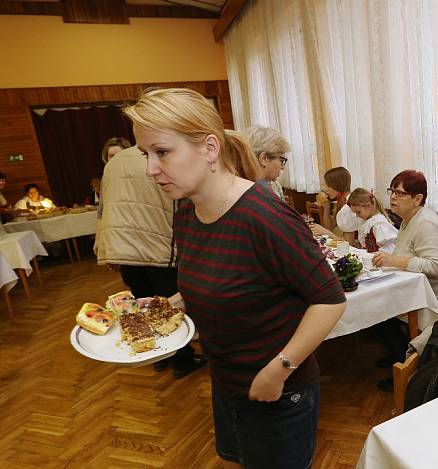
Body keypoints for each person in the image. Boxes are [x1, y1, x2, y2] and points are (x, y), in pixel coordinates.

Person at [125, 87, 346, 469]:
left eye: (162, 152)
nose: (150, 169)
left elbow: (329, 301)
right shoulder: (186, 211)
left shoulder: (264, 217)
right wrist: (167, 305)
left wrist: (278, 371)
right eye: (146, 155)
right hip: (227, 381)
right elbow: (215, 284)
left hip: (277, 388)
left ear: (210, 149)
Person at [95, 144, 203, 378]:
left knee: (142, 302)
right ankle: (182, 360)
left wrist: (105, 246)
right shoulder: (166, 160)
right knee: (167, 309)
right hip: (160, 247)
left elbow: (102, 211)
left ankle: (156, 357)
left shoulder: (113, 164)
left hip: (126, 250)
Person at [372, 170, 438, 389]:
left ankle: (407, 367)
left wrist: (395, 261)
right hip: (422, 288)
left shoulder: (425, 224)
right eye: (391, 191)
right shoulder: (408, 218)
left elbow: (435, 267)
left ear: (417, 199)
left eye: (400, 193)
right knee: (378, 310)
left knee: (381, 314)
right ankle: (399, 354)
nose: (392, 197)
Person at [310, 167, 357, 241]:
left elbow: (349, 243)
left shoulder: (348, 207)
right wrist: (326, 207)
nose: (326, 189)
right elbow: (330, 227)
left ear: (337, 185)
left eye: (328, 186)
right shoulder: (341, 201)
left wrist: (324, 232)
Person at [245, 126, 290, 202]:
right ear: (264, 158)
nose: (283, 167)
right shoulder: (246, 192)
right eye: (281, 160)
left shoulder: (276, 186)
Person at [346, 188, 398, 253]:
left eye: (358, 212)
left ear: (369, 206)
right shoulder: (367, 221)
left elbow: (390, 249)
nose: (357, 215)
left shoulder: (379, 224)